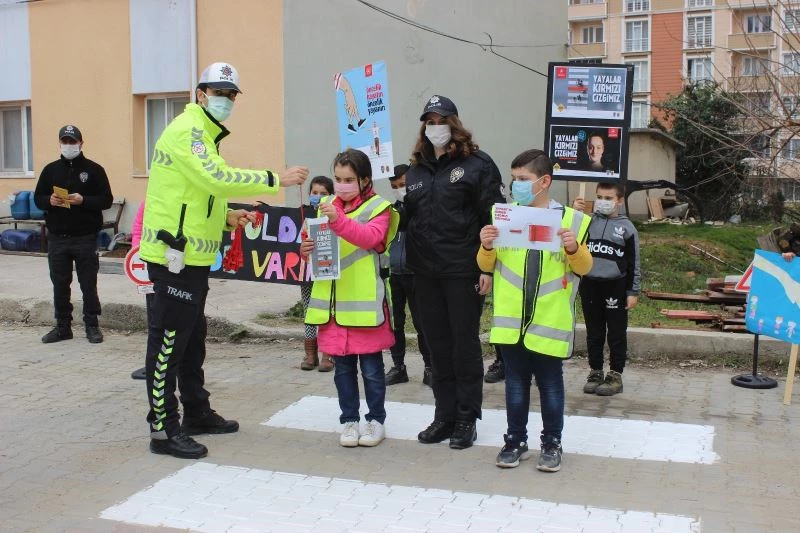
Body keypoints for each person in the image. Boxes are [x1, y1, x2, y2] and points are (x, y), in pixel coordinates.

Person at [139, 62, 309, 459]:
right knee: (168, 343)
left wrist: (227, 217)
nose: (226, 100)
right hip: (172, 256)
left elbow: (201, 194)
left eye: (232, 94)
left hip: (193, 256)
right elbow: (215, 177)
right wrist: (275, 179)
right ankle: (163, 428)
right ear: (201, 94)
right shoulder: (190, 131)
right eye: (219, 92)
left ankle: (197, 412)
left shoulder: (205, 134)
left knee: (191, 340)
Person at [479, 149, 592, 472]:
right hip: (511, 321)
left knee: (550, 385)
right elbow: (486, 264)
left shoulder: (572, 220)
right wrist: (486, 246)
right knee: (515, 384)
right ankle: (515, 441)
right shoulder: (504, 215)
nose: (517, 186)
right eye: (514, 179)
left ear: (545, 182)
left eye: (523, 180)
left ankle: (552, 444)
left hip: (548, 320)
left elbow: (584, 268)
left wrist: (573, 247)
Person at [403, 95, 505, 449]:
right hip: (424, 272)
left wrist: (487, 266)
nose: (435, 128)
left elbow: (492, 217)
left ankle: (466, 418)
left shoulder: (477, 165)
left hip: (463, 270)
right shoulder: (415, 169)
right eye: (429, 122)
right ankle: (443, 416)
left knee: (464, 347)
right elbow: (408, 217)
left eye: (441, 120)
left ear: (455, 123)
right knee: (436, 347)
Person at [302, 149, 399, 448]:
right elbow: (319, 245)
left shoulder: (380, 208)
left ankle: (376, 421)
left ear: (365, 179)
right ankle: (349, 421)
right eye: (338, 179)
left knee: (371, 370)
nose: (341, 185)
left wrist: (338, 219)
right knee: (342, 371)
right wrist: (304, 250)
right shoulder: (327, 206)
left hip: (364, 307)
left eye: (348, 180)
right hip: (333, 307)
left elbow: (371, 239)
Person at [34, 125, 113, 345]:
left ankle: (92, 326)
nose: (69, 145)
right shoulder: (50, 170)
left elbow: (106, 199)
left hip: (85, 238)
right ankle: (63, 327)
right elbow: (38, 197)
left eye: (72, 141)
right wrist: (48, 200)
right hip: (58, 238)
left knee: (88, 283)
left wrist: (83, 200)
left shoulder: (94, 169)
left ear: (81, 143)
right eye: (65, 141)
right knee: (60, 284)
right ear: (60, 143)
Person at [574, 182, 641, 396]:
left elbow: (634, 263)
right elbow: (569, 235)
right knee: (594, 332)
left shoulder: (627, 228)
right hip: (590, 284)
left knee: (616, 333)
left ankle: (615, 374)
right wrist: (575, 213)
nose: (603, 202)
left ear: (619, 201)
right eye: (599, 197)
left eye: (609, 198)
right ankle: (595, 371)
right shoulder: (587, 221)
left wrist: (632, 292)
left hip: (616, 286)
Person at [384, 163, 432, 387]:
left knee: (423, 324)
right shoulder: (391, 210)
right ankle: (398, 367)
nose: (399, 189)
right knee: (396, 323)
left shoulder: (423, 207)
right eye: (395, 186)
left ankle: (430, 368)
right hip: (394, 274)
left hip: (417, 274)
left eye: (403, 184)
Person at [300, 175, 335, 371]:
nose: (318, 196)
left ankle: (328, 354)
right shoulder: (301, 214)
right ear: (309, 194)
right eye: (315, 193)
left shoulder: (335, 214)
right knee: (309, 311)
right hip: (306, 273)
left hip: (327, 272)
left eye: (324, 193)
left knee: (328, 310)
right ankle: (310, 353)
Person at [130, 201, 149, 380]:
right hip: (149, 270)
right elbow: (138, 229)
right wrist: (138, 255)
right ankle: (153, 364)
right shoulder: (149, 200)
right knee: (155, 320)